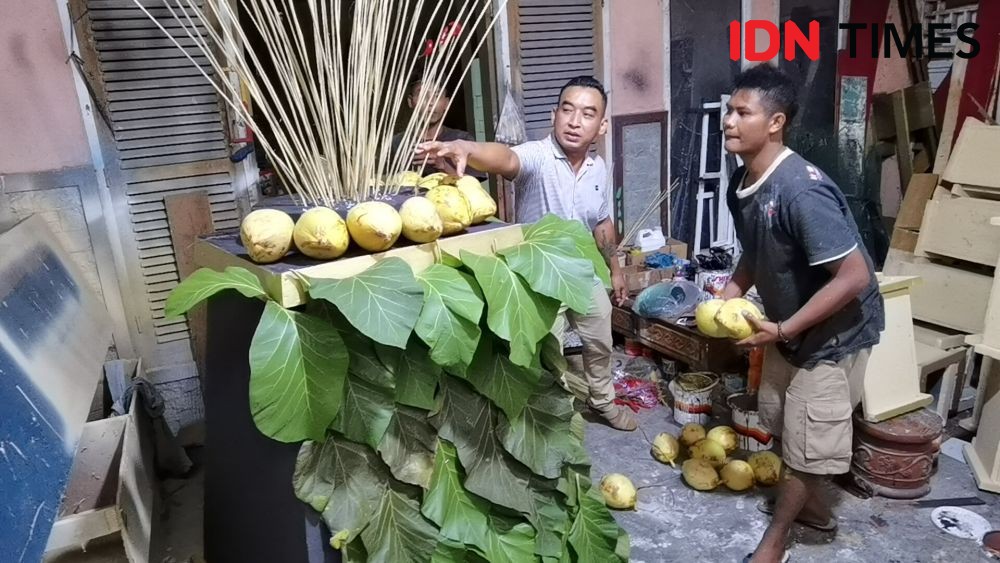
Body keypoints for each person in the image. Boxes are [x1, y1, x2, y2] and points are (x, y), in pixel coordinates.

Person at [719, 64, 885, 563]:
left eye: (742, 112)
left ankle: (776, 540)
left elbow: (855, 276)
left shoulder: (801, 190)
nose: (728, 120)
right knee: (782, 421)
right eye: (729, 109)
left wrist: (785, 328)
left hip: (835, 336)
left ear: (775, 123)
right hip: (789, 328)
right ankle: (817, 514)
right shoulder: (742, 181)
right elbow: (758, 247)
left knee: (806, 446)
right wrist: (732, 290)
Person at [414, 76, 637, 431]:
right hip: (540, 279)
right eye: (567, 110)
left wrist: (616, 268)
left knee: (600, 343)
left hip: (585, 275)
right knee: (547, 357)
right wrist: (467, 149)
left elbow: (603, 222)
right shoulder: (538, 156)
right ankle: (555, 417)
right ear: (553, 115)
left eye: (587, 113)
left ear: (602, 125)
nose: (575, 121)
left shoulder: (600, 169)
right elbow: (505, 158)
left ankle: (603, 402)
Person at [391, 76, 485, 179]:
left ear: (446, 103)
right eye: (423, 96)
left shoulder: (462, 141)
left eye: (437, 95)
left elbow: (473, 187)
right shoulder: (397, 143)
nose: (431, 103)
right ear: (410, 101)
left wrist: (443, 166)